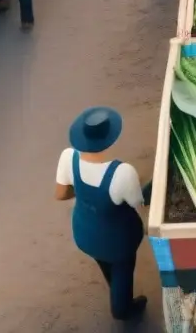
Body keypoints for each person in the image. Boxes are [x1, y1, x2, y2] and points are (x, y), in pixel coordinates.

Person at [55, 107, 148, 321]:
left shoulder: (68, 157)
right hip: (119, 240)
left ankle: (114, 286)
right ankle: (122, 310)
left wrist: (84, 194)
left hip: (84, 232)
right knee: (123, 270)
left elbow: (60, 194)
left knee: (106, 264)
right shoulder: (123, 173)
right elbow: (137, 203)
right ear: (111, 139)